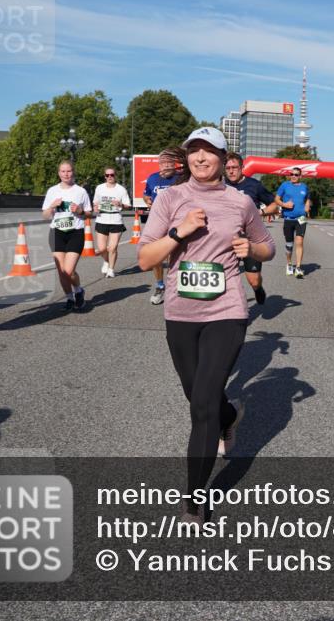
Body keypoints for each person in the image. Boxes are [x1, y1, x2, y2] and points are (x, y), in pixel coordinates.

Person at [138, 127, 275, 523]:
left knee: (201, 406)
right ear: (187, 158)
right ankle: (229, 417)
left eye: (208, 152)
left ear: (223, 156)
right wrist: (179, 232)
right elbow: (147, 259)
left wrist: (253, 250)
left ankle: (196, 499)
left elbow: (267, 246)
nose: (200, 158)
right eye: (193, 152)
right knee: (195, 393)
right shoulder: (170, 198)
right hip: (180, 312)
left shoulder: (241, 202)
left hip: (227, 310)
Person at [224, 152, 280, 304]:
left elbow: (274, 205)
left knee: (253, 281)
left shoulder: (254, 185)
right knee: (225, 280)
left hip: (249, 240)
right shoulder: (220, 185)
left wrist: (259, 212)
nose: (231, 171)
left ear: (242, 168)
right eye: (227, 168)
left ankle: (258, 289)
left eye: (234, 167)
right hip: (225, 240)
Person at [41, 161, 92, 311]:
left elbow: (90, 213)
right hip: (56, 233)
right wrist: (52, 206)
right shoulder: (52, 191)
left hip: (75, 232)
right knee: (61, 271)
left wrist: (80, 211)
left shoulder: (80, 191)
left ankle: (78, 290)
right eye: (63, 171)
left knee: (68, 271)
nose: (66, 174)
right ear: (59, 173)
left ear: (73, 172)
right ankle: (70, 298)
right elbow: (45, 215)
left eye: (69, 171)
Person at [143, 147, 185, 304]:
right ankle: (160, 286)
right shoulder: (152, 178)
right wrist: (147, 200)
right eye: (163, 162)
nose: (166, 165)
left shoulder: (181, 178)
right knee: (157, 257)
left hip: (177, 221)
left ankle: (177, 285)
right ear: (159, 164)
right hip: (157, 221)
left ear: (174, 164)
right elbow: (146, 194)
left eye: (169, 162)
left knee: (176, 256)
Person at [92, 166, 131, 278]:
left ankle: (111, 269)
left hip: (116, 220)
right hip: (102, 219)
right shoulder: (99, 188)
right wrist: (95, 207)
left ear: (115, 176)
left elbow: (128, 206)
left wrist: (121, 205)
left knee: (113, 248)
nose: (110, 177)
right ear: (104, 177)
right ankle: (106, 261)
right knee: (102, 248)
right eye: (107, 175)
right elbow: (95, 202)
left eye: (112, 175)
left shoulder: (121, 189)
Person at [275, 167, 311, 278]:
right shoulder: (285, 185)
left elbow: (308, 198)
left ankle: (298, 268)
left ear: (300, 176)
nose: (293, 176)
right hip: (288, 219)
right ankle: (289, 263)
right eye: (292, 174)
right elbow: (277, 199)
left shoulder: (304, 187)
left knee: (299, 242)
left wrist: (307, 206)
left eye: (296, 174)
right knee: (289, 245)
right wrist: (285, 205)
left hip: (301, 219)